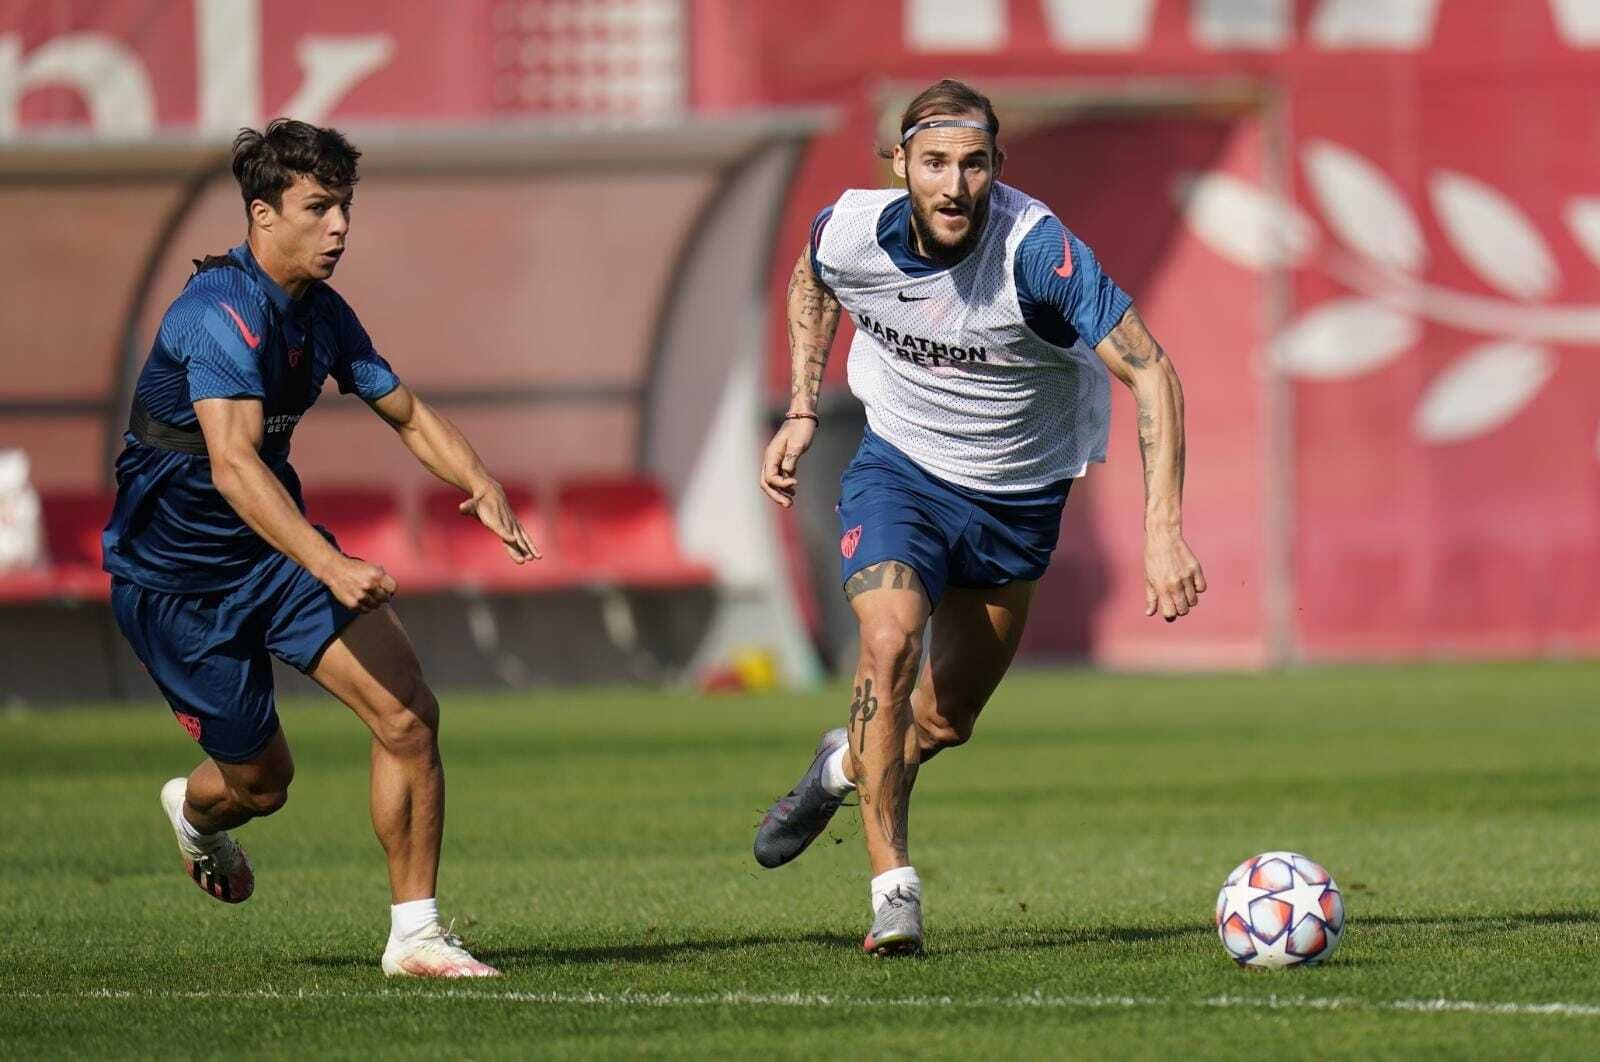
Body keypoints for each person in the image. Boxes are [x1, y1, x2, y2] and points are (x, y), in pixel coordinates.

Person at [753, 80, 1206, 955]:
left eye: (973, 164)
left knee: (943, 719)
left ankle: (842, 765)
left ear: (998, 167)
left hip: (1016, 497)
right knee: (888, 643)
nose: (954, 185)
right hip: (900, 471)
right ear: (901, 167)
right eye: (933, 164)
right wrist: (803, 407)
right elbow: (812, 280)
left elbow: (1152, 372)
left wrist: (1162, 532)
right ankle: (895, 892)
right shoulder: (848, 228)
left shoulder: (1036, 254)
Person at [102, 119, 538, 978]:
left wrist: (478, 479)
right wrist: (330, 562)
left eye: (346, 206)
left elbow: (404, 410)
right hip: (178, 587)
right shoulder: (216, 316)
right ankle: (195, 815)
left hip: (274, 560)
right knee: (261, 785)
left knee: (407, 714)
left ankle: (415, 936)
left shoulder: (323, 315)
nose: (340, 226)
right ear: (263, 215)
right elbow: (232, 467)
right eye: (319, 207)